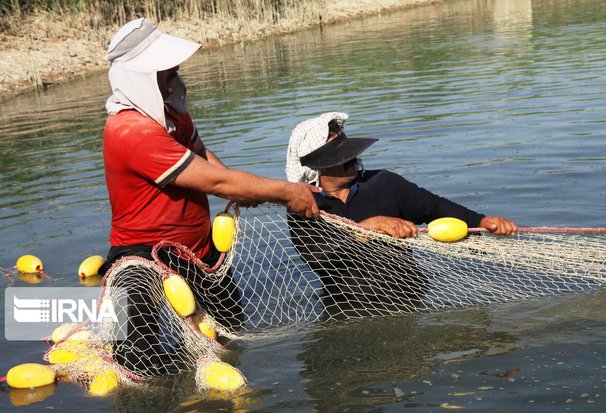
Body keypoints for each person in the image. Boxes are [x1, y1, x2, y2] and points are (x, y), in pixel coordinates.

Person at [101, 18, 319, 375]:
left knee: (230, 331)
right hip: (140, 256)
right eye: (165, 69)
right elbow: (217, 183)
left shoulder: (169, 114)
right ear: (139, 76)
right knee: (137, 358)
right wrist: (284, 191)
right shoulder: (131, 130)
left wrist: (243, 188)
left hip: (197, 251)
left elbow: (206, 162)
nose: (174, 72)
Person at [285, 112, 518, 318]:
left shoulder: (384, 183)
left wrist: (481, 221)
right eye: (342, 156)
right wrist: (366, 228)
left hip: (409, 297)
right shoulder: (304, 204)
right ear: (320, 167)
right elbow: (316, 255)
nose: (353, 158)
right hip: (347, 307)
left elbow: (434, 207)